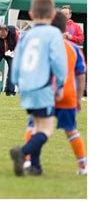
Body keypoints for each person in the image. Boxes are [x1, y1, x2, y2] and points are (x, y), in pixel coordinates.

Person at [9, 0, 67, 177]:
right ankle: (22, 151)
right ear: (52, 14)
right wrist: (61, 82)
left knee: (37, 127)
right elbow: (58, 62)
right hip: (43, 87)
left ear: (31, 14)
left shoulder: (27, 35)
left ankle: (36, 166)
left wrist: (17, 81)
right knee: (47, 129)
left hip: (26, 87)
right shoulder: (53, 34)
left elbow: (16, 61)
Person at [52, 11, 87, 175]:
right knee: (71, 130)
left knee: (36, 126)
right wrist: (78, 98)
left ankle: (28, 159)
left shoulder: (46, 46)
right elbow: (81, 75)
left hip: (47, 94)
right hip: (67, 95)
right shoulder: (73, 50)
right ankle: (83, 165)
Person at [0, 23, 19, 95]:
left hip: (11, 51)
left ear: (8, 32)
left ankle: (10, 91)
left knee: (13, 68)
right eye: (1, 36)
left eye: (4, 36)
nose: (3, 37)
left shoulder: (15, 33)